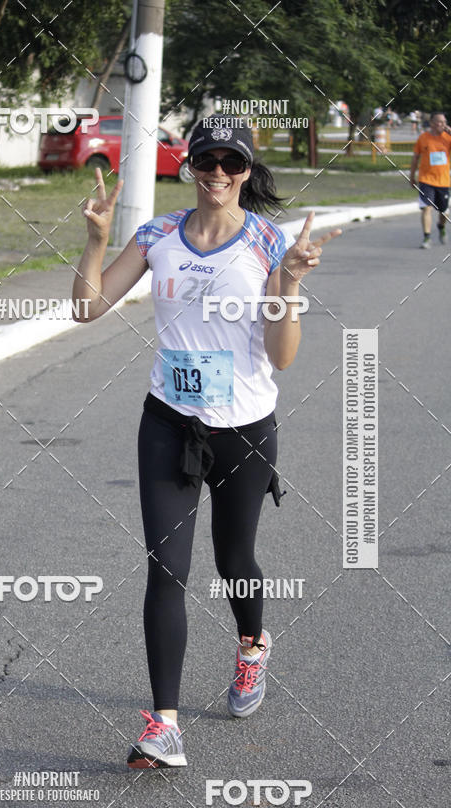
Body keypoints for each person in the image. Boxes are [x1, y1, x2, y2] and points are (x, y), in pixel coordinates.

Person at [72, 120, 341, 769]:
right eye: (206, 159)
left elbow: (281, 358)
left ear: (247, 171)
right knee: (167, 569)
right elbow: (86, 308)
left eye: (232, 161)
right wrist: (96, 240)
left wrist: (293, 284)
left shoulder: (269, 242)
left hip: (245, 428)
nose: (217, 171)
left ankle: (252, 646)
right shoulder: (158, 235)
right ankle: (164, 726)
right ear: (189, 164)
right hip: (168, 421)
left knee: (234, 558)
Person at [410, 111, 451, 248]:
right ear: (432, 123)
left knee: (444, 211)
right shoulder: (423, 138)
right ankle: (427, 237)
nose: (443, 124)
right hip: (426, 180)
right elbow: (415, 158)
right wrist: (412, 176)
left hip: (443, 181)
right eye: (440, 122)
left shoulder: (448, 138)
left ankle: (441, 226)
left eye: (445, 122)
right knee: (426, 208)